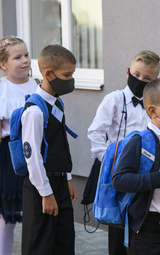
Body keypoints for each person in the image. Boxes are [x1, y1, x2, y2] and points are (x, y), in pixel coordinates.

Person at [87, 50, 160, 255]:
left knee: (140, 223)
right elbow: (95, 131)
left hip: (144, 174)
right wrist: (106, 161)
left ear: (154, 81)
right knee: (118, 228)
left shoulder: (153, 106)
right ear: (127, 71)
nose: (140, 80)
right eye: (136, 75)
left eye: (147, 78)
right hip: (117, 172)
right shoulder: (114, 99)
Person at [112, 77, 160, 255]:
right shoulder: (140, 141)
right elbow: (119, 179)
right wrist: (157, 180)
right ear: (153, 111)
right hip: (147, 229)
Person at [21, 44, 77, 255]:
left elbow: (60, 143)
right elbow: (32, 156)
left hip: (60, 181)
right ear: (48, 73)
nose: (71, 79)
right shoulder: (35, 111)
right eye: (67, 74)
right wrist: (46, 193)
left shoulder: (58, 103)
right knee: (40, 244)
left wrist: (68, 177)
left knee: (63, 241)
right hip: (41, 187)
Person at [0, 36, 38, 255]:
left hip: (38, 152)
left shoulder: (39, 87)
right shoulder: (2, 91)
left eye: (26, 55)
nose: (25, 60)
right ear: (3, 64)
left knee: (36, 212)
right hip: (9, 157)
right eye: (17, 57)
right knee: (8, 216)